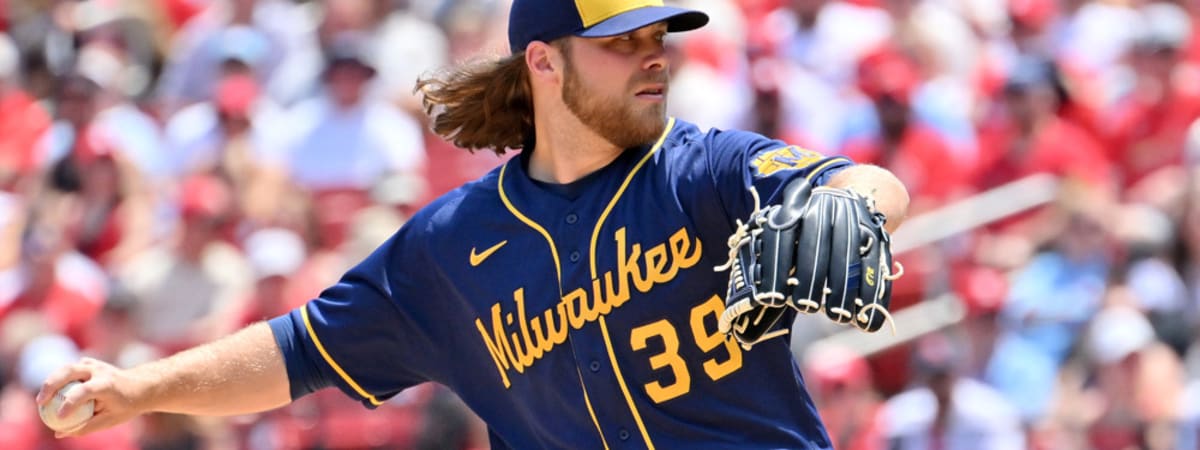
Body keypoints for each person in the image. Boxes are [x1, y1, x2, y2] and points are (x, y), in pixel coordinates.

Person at [36, 0, 910, 448]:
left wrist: (846, 206)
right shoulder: (450, 248)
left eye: (658, 39)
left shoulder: (703, 169)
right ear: (544, 62)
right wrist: (145, 388)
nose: (653, 56)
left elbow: (860, 184)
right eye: (621, 41)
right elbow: (296, 353)